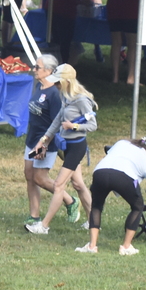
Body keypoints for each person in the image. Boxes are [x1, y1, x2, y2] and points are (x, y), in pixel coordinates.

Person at [26, 65, 98, 234]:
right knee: (78, 184)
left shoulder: (81, 100)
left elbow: (93, 125)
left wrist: (73, 126)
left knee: (58, 185)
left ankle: (43, 226)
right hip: (66, 146)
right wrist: (44, 140)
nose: (56, 86)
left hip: (77, 146)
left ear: (66, 81)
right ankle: (93, 221)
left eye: (58, 82)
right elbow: (57, 121)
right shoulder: (65, 96)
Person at [77, 136, 146, 255]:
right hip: (124, 177)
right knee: (137, 207)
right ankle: (126, 247)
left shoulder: (122, 142)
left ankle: (92, 246)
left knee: (96, 207)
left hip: (100, 172)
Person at [23, 53, 63, 224]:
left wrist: (44, 145)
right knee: (29, 175)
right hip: (32, 140)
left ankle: (68, 200)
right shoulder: (39, 87)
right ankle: (34, 215)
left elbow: (57, 124)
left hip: (45, 142)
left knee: (40, 178)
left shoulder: (54, 94)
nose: (34, 70)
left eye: (37, 67)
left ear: (48, 71)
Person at [102, 0, 141, 85]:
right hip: (131, 8)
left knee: (116, 43)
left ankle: (115, 77)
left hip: (114, 8)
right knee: (132, 45)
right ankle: (131, 77)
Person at [48, 0, 90, 66]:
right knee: (65, 42)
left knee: (56, 39)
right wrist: (87, 3)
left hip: (52, 8)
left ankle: (54, 63)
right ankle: (63, 65)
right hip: (66, 11)